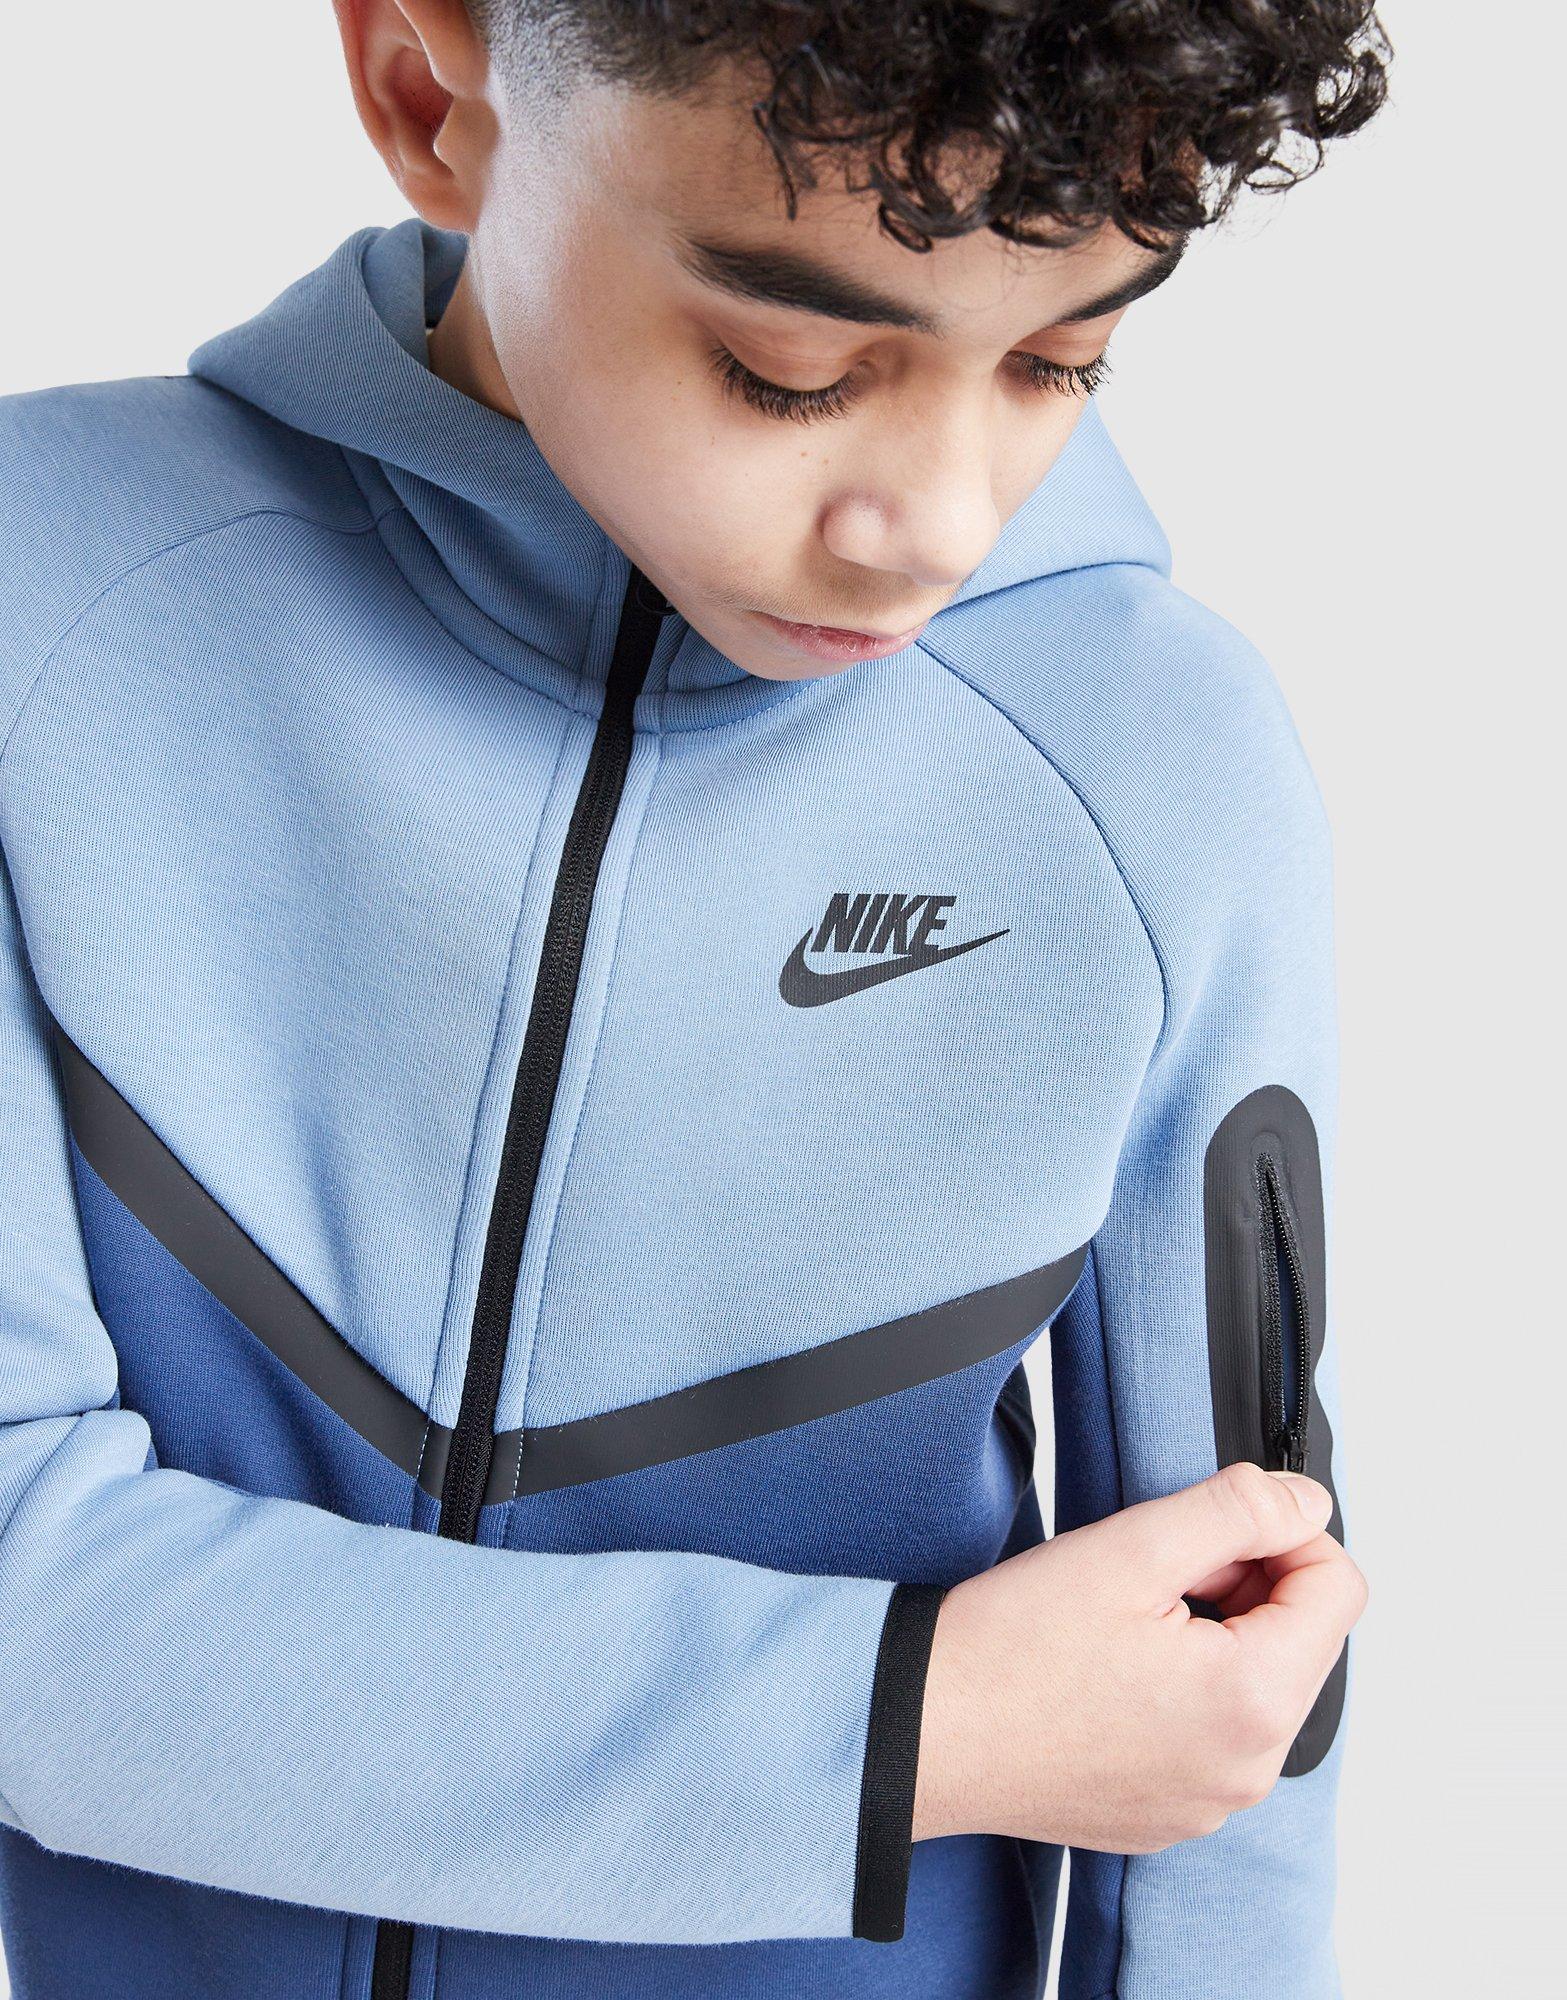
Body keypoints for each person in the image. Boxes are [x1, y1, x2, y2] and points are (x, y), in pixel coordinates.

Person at [0, 3, 1385, 1997]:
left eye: (1061, 361)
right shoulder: (44, 602)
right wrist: (922, 1722)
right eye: (791, 368)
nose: (937, 522)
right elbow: (29, 1623)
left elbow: (1233, 1718)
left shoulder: (1151, 769)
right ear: (427, 92)